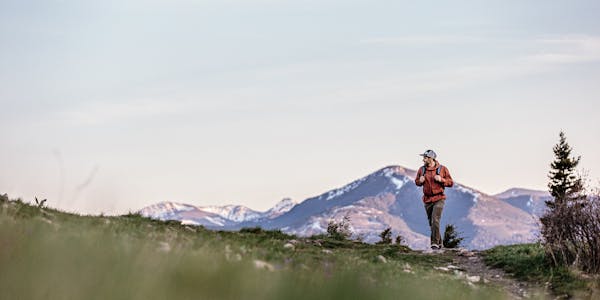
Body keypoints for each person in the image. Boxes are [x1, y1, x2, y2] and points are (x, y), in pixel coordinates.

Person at [414, 149, 453, 250]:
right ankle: (440, 243)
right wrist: (420, 181)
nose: (423, 159)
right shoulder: (421, 170)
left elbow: (450, 183)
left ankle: (434, 243)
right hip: (427, 200)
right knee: (431, 223)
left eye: (425, 157)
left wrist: (441, 180)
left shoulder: (442, 169)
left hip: (439, 198)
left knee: (435, 220)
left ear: (431, 158)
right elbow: (417, 182)